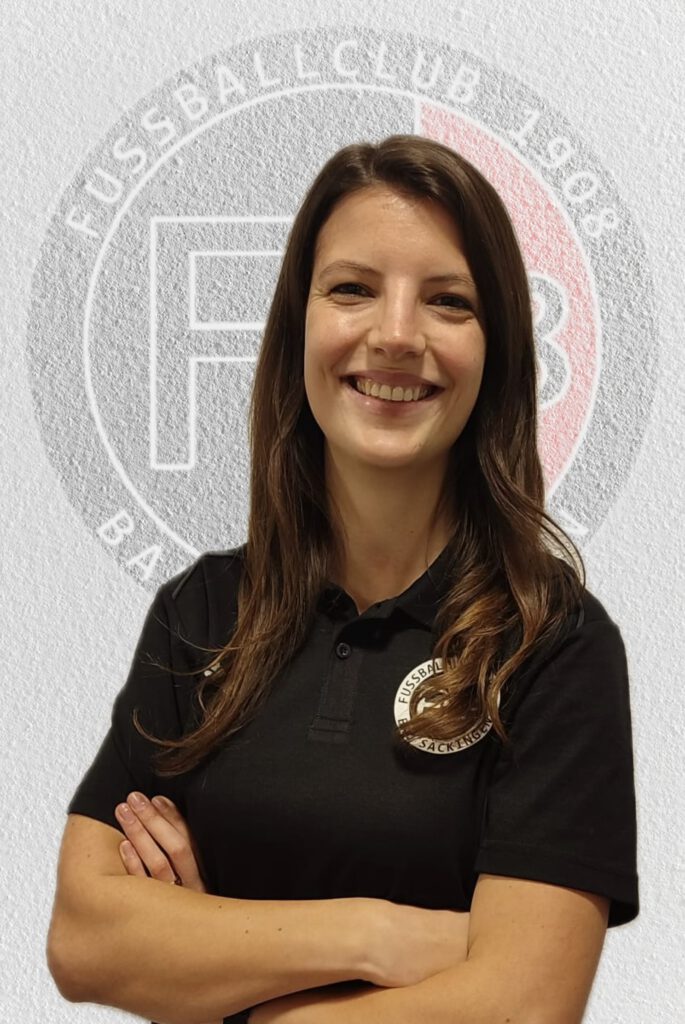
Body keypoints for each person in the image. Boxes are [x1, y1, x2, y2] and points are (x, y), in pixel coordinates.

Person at [46, 134, 639, 1024]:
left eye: (448, 301)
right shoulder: (201, 614)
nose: (394, 335)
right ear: (298, 328)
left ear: (498, 352)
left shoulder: (552, 645)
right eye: (352, 289)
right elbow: (84, 941)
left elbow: (522, 1005)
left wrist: (212, 964)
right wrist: (378, 936)